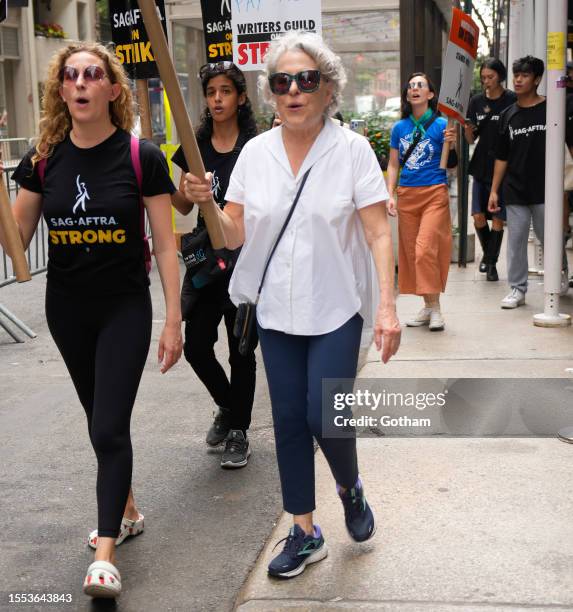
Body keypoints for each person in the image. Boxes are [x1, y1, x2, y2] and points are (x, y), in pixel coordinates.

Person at [183, 31, 401, 579]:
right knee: (286, 420)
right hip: (277, 309)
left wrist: (388, 307)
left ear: (328, 88)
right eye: (282, 82)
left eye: (307, 80)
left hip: (337, 307)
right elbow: (233, 234)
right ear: (272, 93)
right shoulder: (255, 156)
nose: (294, 91)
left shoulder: (351, 150)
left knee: (323, 415)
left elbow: (377, 232)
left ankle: (349, 487)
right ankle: (305, 532)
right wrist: (207, 205)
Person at [2, 43, 182, 598]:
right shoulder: (41, 159)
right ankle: (127, 510)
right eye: (71, 76)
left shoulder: (141, 155)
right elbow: (17, 245)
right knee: (98, 418)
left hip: (125, 307)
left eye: (93, 74)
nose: (80, 83)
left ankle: (106, 553)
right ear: (61, 90)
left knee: (107, 426)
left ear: (111, 89)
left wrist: (173, 319)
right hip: (68, 309)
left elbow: (168, 247)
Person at [171, 61, 258, 468]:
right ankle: (229, 407)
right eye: (211, 92)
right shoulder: (195, 144)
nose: (218, 99)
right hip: (208, 263)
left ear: (240, 97)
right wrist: (183, 189)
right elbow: (182, 203)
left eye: (226, 91)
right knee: (197, 346)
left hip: (246, 259)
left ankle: (239, 431)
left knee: (242, 349)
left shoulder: (258, 146)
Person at [488, 55, 567, 308]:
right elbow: (502, 157)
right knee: (517, 239)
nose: (519, 79)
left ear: (537, 79)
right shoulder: (508, 115)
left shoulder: (552, 109)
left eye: (525, 75)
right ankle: (517, 289)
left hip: (546, 187)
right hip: (515, 187)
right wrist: (494, 190)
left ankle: (561, 272)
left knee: (549, 237)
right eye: (516, 75)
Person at [386, 72, 457, 331]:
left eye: (420, 85)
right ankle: (428, 306)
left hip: (434, 193)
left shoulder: (441, 125)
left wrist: (453, 144)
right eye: (411, 86)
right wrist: (390, 193)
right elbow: (393, 164)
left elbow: (452, 164)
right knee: (413, 254)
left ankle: (436, 308)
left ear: (430, 94)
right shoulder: (399, 128)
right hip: (406, 195)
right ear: (407, 94)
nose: (414, 89)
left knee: (425, 249)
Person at [464, 58, 516, 281]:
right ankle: (489, 257)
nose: (486, 81)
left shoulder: (512, 99)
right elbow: (470, 138)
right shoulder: (476, 101)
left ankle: (491, 265)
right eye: (483, 77)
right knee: (477, 216)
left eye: (490, 77)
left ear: (500, 76)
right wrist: (466, 128)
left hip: (504, 166)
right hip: (481, 164)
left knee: (497, 218)